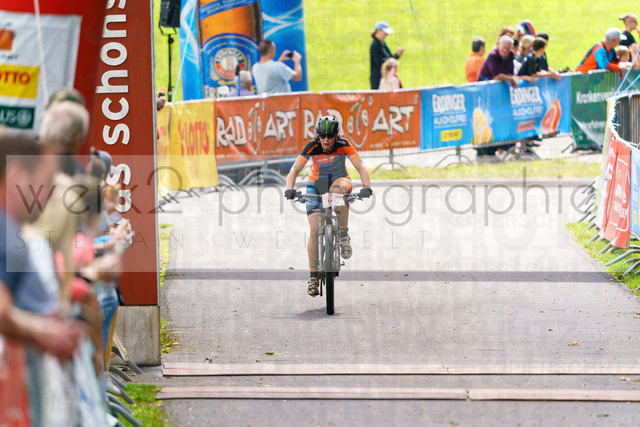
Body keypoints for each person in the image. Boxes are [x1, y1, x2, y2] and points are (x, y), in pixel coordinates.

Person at [0, 129, 86, 358]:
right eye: (46, 183)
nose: (49, 195)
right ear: (17, 175)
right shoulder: (8, 235)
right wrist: (40, 331)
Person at [284, 116, 372, 297]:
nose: (326, 140)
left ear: (336, 135)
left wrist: (366, 187)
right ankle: (313, 277)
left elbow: (360, 166)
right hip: (316, 185)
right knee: (314, 229)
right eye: (322, 136)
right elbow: (294, 169)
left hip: (340, 181)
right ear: (318, 136)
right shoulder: (312, 146)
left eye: (330, 136)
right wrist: (289, 189)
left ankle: (343, 235)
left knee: (338, 191)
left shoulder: (343, 144)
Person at [369, 20, 404, 90]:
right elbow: (378, 62)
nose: (386, 35)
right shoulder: (375, 45)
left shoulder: (383, 44)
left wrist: (397, 55)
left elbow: (389, 58)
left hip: (387, 77)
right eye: (385, 33)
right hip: (378, 78)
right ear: (379, 31)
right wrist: (391, 60)